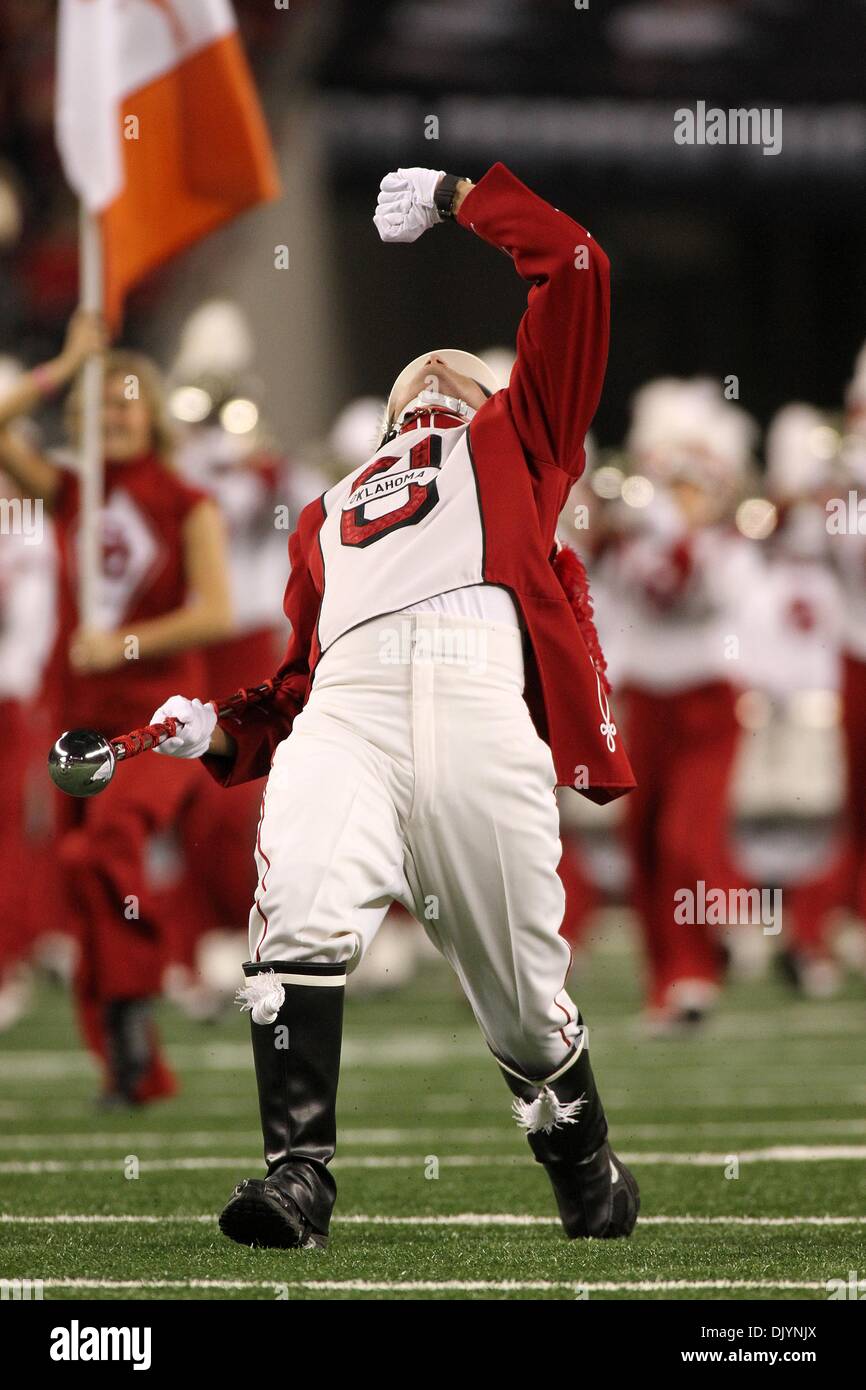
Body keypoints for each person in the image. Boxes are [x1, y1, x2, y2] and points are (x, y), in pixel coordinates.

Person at [151, 163, 639, 1249]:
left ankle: (581, 1157)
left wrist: (463, 198)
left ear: (494, 392)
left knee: (523, 1002)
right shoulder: (323, 512)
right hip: (348, 713)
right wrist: (219, 729)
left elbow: (574, 264)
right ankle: (298, 1179)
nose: (429, 374)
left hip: (475, 696)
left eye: (453, 370)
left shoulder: (522, 441)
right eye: (411, 374)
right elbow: (295, 679)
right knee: (296, 922)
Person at [0, 313, 233, 1102]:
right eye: (99, 407)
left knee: (107, 846)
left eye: (127, 404)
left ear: (152, 413)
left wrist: (126, 643)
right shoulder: (70, 489)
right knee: (80, 877)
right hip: (77, 716)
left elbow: (215, 613)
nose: (114, 418)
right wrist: (64, 362)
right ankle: (128, 1062)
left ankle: (138, 999)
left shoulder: (186, 499)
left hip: (157, 716)